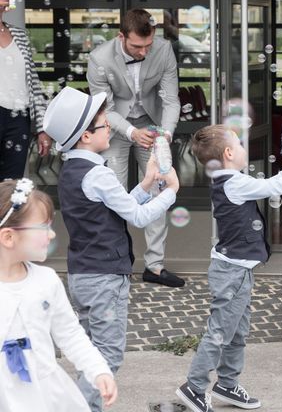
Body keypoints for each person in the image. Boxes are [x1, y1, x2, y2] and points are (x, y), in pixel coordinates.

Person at [43, 86, 179, 411]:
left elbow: (119, 208)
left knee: (90, 352)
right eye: (105, 125)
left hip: (82, 276)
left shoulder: (74, 171)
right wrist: (171, 192)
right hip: (105, 279)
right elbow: (138, 216)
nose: (110, 130)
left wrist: (146, 186)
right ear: (86, 136)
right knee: (107, 356)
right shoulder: (97, 174)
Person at [176, 125, 282, 412]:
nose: (245, 148)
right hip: (231, 273)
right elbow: (269, 188)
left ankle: (227, 384)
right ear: (229, 153)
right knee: (220, 331)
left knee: (237, 331)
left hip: (237, 271)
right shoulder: (232, 182)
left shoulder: (230, 179)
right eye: (240, 145)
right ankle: (194, 387)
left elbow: (268, 183)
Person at [0, 178, 117, 411]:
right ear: (9, 237)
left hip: (45, 394)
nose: (52, 235)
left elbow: (70, 333)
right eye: (44, 227)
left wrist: (98, 370)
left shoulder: (47, 281)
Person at [87, 8, 184, 288]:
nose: (143, 51)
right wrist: (130, 132)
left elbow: (171, 99)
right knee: (112, 192)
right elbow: (104, 108)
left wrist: (164, 135)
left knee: (157, 189)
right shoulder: (99, 58)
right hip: (114, 128)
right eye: (136, 46)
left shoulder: (164, 50)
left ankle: (155, 266)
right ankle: (112, 261)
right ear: (121, 37)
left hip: (153, 126)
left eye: (148, 45)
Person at [0, 0, 52, 180]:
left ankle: (8, 214)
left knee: (12, 183)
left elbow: (33, 84)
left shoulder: (19, 35)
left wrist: (42, 128)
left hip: (19, 117)